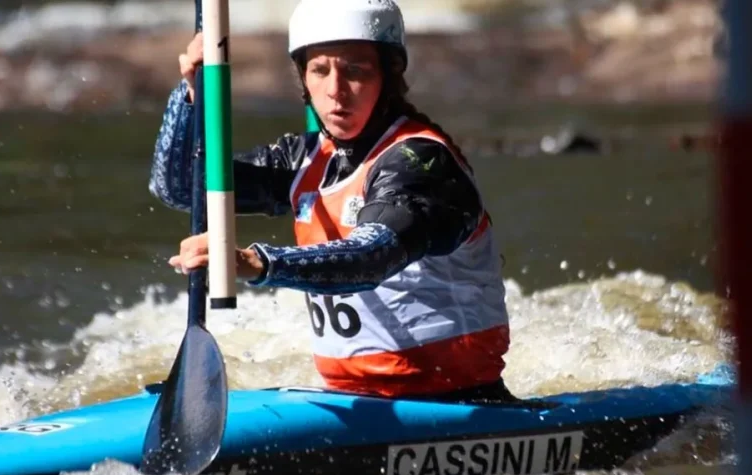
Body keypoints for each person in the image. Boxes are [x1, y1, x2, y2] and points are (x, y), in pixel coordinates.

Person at [149, 0, 515, 403]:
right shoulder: (307, 158)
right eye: (320, 70)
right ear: (304, 80)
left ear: (388, 77)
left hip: (460, 401)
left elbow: (372, 256)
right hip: (353, 400)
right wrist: (190, 96)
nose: (335, 90)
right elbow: (181, 188)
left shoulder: (421, 162)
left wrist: (256, 263)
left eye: (355, 71)